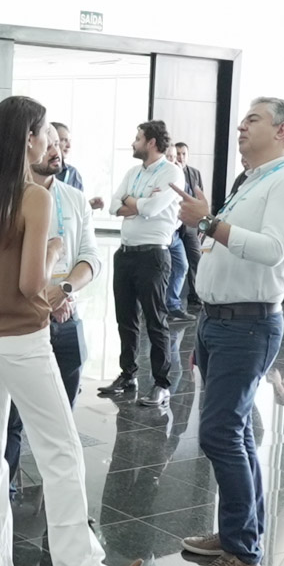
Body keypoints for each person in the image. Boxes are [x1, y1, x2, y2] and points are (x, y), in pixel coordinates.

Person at [0, 94, 141, 566]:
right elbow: (32, 283)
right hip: (21, 340)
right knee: (61, 450)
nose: (50, 141)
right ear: (27, 138)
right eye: (45, 133)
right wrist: (53, 252)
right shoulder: (35, 198)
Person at [173, 97, 284, 566]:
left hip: (248, 325)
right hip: (218, 321)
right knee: (231, 433)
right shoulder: (252, 181)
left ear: (281, 130)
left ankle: (243, 556)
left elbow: (273, 250)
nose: (241, 127)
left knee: (220, 434)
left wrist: (207, 221)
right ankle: (240, 531)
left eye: (252, 120)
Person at [2, 140, 100, 487]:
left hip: (66, 318)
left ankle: (61, 497)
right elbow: (2, 264)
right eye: (49, 142)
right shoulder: (7, 199)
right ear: (28, 148)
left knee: (62, 421)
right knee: (10, 420)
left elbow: (91, 257)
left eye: (58, 144)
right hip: (22, 322)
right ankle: (4, 493)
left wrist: (65, 290)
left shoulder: (74, 199)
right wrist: (43, 298)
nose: (55, 150)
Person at [97, 120, 184, 409]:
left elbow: (152, 209)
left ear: (151, 142)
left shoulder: (172, 172)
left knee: (155, 321)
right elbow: (114, 205)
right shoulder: (133, 172)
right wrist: (137, 203)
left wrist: (133, 203)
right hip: (125, 254)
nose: (133, 143)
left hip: (153, 256)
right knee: (126, 319)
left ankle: (161, 384)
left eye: (137, 138)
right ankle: (128, 375)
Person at [171, 142, 205, 318]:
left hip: (191, 225)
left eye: (184, 154)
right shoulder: (169, 172)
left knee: (195, 259)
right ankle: (170, 301)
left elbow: (201, 200)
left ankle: (196, 297)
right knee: (175, 264)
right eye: (178, 153)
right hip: (173, 225)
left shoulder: (195, 173)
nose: (180, 157)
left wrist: (202, 223)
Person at [50, 121, 84, 191]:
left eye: (69, 141)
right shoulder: (37, 171)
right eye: (63, 140)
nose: (69, 146)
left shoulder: (74, 174)